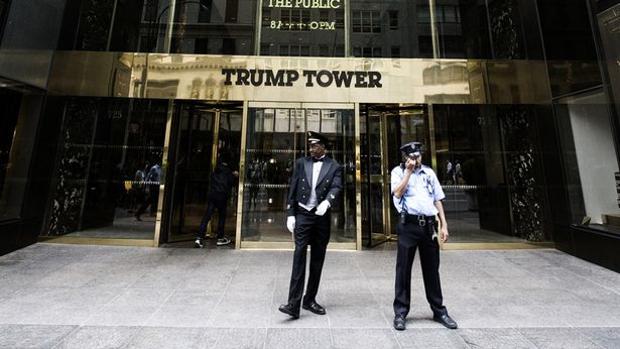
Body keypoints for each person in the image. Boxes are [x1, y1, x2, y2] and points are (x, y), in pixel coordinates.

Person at [390, 141, 457, 331]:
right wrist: (408, 173)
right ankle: (401, 312)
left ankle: (439, 310)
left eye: (418, 156)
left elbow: (437, 198)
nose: (416, 159)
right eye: (412, 157)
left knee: (432, 269)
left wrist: (443, 224)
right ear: (405, 158)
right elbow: (397, 193)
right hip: (408, 225)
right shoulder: (398, 172)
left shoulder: (429, 173)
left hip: (428, 226)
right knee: (403, 270)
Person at [278, 131, 342, 319]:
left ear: (323, 146)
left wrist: (328, 202)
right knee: (299, 256)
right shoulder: (301, 163)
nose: (311, 148)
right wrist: (290, 213)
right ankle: (293, 304)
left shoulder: (334, 165)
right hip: (303, 214)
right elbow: (293, 187)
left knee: (317, 259)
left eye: (314, 145)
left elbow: (337, 186)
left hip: (321, 217)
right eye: (310, 145)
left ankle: (310, 299)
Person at [194, 154, 238, 248]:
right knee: (222, 216)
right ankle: (220, 238)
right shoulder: (228, 172)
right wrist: (235, 175)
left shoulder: (216, 170)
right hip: (222, 196)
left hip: (213, 195)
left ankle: (199, 237)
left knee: (207, 216)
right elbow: (231, 183)